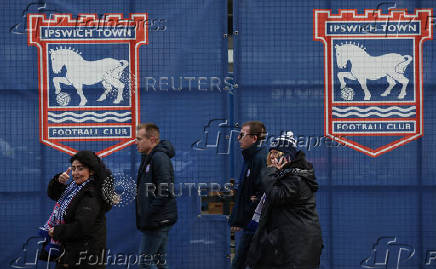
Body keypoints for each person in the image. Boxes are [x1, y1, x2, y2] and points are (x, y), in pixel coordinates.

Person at [246, 131, 323, 269]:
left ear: (287, 157)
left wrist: (269, 171)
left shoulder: (296, 178)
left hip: (298, 249)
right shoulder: (286, 176)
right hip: (288, 246)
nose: (273, 159)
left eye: (277, 154)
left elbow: (277, 196)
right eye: (271, 154)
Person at [40, 151, 113, 269]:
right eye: (73, 168)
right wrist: (58, 182)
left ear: (92, 171)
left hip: (84, 258)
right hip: (72, 253)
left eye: (80, 169)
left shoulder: (91, 194)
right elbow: (55, 195)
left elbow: (82, 226)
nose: (75, 173)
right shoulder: (75, 187)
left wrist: (57, 231)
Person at [135, 123, 177, 269]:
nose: (136, 143)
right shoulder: (148, 157)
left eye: (139, 139)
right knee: (160, 263)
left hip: (157, 221)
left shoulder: (159, 158)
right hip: (156, 220)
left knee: (144, 264)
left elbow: (165, 190)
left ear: (152, 140)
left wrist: (149, 213)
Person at [229, 121, 268, 269]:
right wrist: (238, 219)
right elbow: (247, 194)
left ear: (254, 138)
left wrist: (254, 203)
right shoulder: (250, 158)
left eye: (242, 135)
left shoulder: (260, 159)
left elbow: (263, 193)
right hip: (251, 223)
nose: (238, 138)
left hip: (257, 224)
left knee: (240, 262)